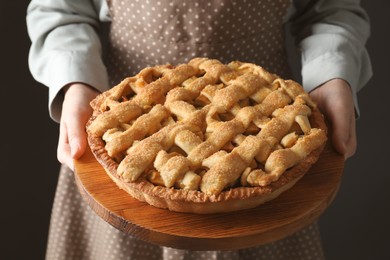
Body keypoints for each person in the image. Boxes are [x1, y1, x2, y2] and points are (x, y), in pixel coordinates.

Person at [26, 0, 372, 259]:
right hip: (131, 128)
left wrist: (332, 73)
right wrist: (76, 83)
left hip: (262, 124)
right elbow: (59, 9)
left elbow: (332, 9)